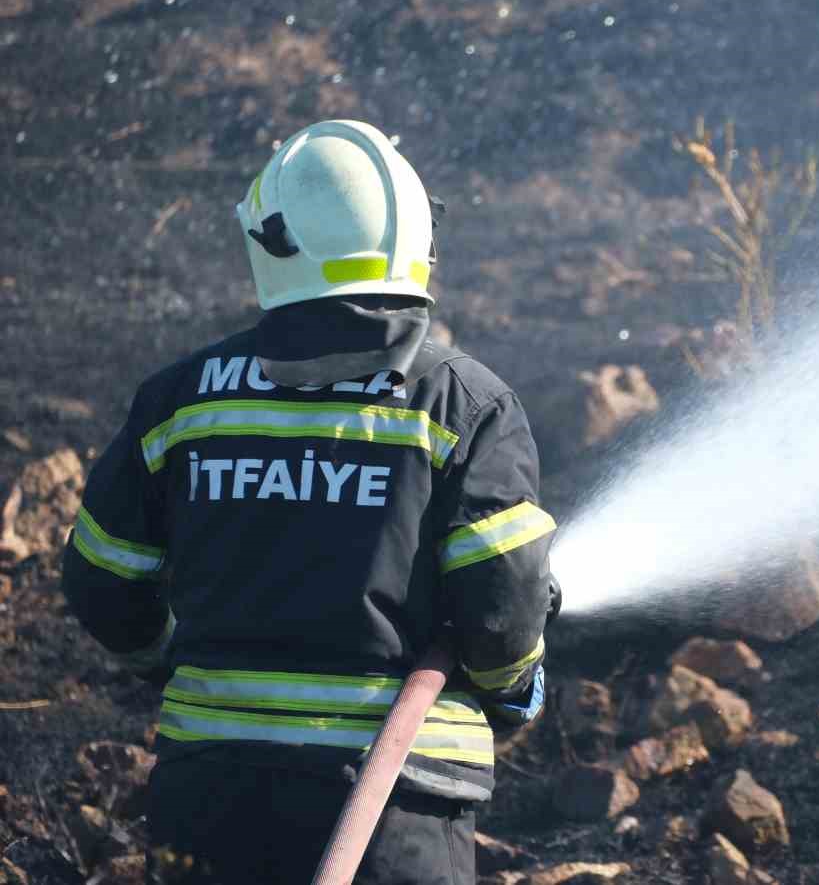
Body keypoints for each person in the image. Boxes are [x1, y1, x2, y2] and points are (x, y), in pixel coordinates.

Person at [61, 120, 554, 884]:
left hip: (210, 800)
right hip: (396, 809)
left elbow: (102, 580)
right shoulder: (464, 404)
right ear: (418, 241)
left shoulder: (181, 400)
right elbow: (502, 600)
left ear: (273, 242)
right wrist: (514, 685)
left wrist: (171, 660)